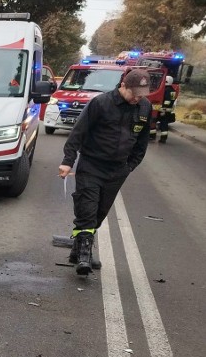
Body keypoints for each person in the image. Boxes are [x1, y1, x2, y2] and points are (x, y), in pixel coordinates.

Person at [58, 69, 152, 276]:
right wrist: (68, 161)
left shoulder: (145, 107)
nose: (138, 97)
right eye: (134, 92)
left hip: (118, 170)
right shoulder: (101, 103)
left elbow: (142, 143)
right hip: (92, 165)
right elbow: (78, 133)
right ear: (123, 86)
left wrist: (129, 167)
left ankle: (77, 249)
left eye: (142, 93)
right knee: (87, 210)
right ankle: (84, 255)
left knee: (99, 214)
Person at [157, 75, 177, 143]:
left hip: (164, 110)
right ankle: (163, 138)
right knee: (164, 124)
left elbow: (167, 101)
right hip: (168, 110)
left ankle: (160, 138)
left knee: (160, 123)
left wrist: (163, 109)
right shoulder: (173, 90)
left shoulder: (166, 90)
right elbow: (172, 100)